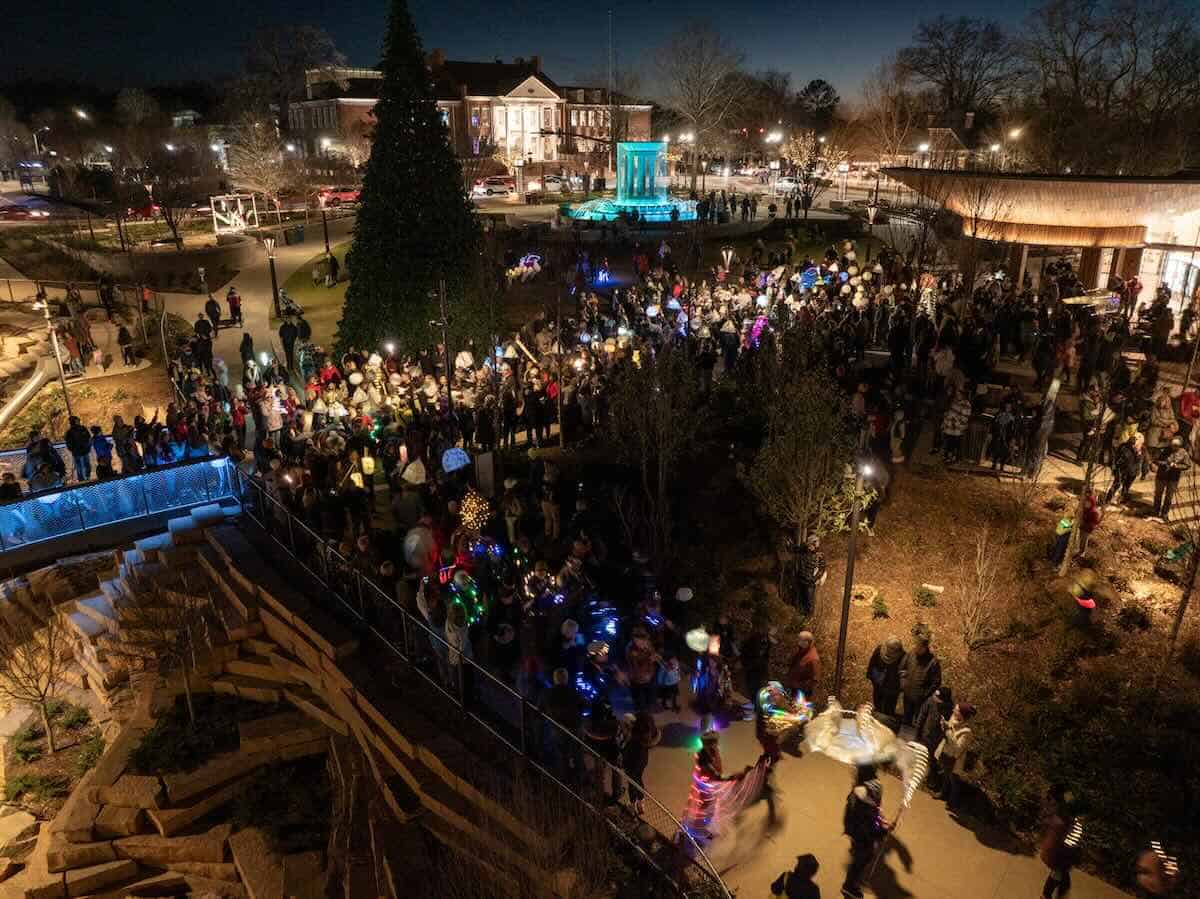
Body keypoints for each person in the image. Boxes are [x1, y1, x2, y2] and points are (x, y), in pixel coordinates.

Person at [842, 763, 891, 898]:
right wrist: (882, 830)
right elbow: (868, 825)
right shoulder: (864, 799)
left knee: (860, 853)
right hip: (861, 833)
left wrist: (881, 820)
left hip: (855, 829)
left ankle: (855, 873)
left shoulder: (862, 789)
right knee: (863, 857)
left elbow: (874, 811)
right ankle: (849, 886)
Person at [1039, 787, 1082, 899]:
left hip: (1061, 852)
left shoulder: (1063, 817)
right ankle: (1046, 895)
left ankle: (1047, 895)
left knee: (1062, 879)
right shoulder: (1064, 820)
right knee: (1059, 876)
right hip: (1061, 853)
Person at [935, 701, 976, 811]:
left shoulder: (967, 732)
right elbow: (948, 732)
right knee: (946, 775)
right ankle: (943, 793)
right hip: (946, 754)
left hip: (955, 759)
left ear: (962, 714)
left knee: (954, 780)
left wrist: (948, 730)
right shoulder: (953, 719)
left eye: (956, 710)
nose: (953, 710)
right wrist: (944, 725)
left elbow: (957, 748)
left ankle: (952, 802)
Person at [899, 627, 941, 726]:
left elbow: (936, 682)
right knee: (906, 719)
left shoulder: (933, 662)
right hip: (908, 694)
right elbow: (902, 667)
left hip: (920, 699)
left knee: (918, 722)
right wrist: (903, 680)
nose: (915, 648)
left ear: (924, 648)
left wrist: (925, 694)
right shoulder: (911, 654)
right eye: (915, 645)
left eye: (918, 646)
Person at [621, 710, 660, 815]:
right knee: (638, 779)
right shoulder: (644, 736)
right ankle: (641, 803)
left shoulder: (634, 737)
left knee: (632, 782)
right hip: (642, 761)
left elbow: (626, 751)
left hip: (632, 763)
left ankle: (632, 805)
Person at [865, 636, 904, 719]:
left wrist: (900, 688)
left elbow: (904, 674)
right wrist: (871, 677)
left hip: (892, 688)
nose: (890, 652)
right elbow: (872, 663)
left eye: (893, 651)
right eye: (889, 649)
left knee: (889, 708)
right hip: (878, 683)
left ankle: (886, 723)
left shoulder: (903, 656)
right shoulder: (879, 649)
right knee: (877, 703)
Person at [1152, 437, 1191, 520]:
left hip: (1173, 478)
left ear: (1180, 446)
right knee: (1158, 494)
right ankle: (1155, 511)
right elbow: (1155, 460)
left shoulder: (1184, 453)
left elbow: (1187, 465)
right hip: (1162, 476)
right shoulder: (1164, 450)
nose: (1174, 447)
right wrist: (1165, 463)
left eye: (1176, 445)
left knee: (1169, 497)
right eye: (1173, 445)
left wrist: (1177, 466)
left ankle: (1164, 514)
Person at [794, 535, 827, 614]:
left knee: (809, 602)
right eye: (816, 542)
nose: (818, 544)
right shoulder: (803, 552)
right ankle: (801, 616)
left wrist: (814, 579)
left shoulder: (819, 555)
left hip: (810, 582)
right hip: (801, 580)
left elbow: (822, 569)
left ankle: (809, 617)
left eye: (817, 542)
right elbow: (796, 549)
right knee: (800, 600)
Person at [785, 631, 820, 701]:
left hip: (804, 695)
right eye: (799, 640)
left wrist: (799, 685)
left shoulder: (813, 658)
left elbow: (815, 680)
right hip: (794, 691)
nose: (799, 643)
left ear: (807, 642)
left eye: (801, 640)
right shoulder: (801, 652)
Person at [64, 416, 92, 482]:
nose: (79, 421)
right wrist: (73, 449)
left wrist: (88, 446)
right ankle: (81, 480)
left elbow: (88, 437)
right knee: (79, 467)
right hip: (77, 453)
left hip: (84, 451)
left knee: (86, 465)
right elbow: (68, 444)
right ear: (74, 421)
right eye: (77, 420)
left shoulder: (83, 428)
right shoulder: (69, 432)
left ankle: (87, 478)